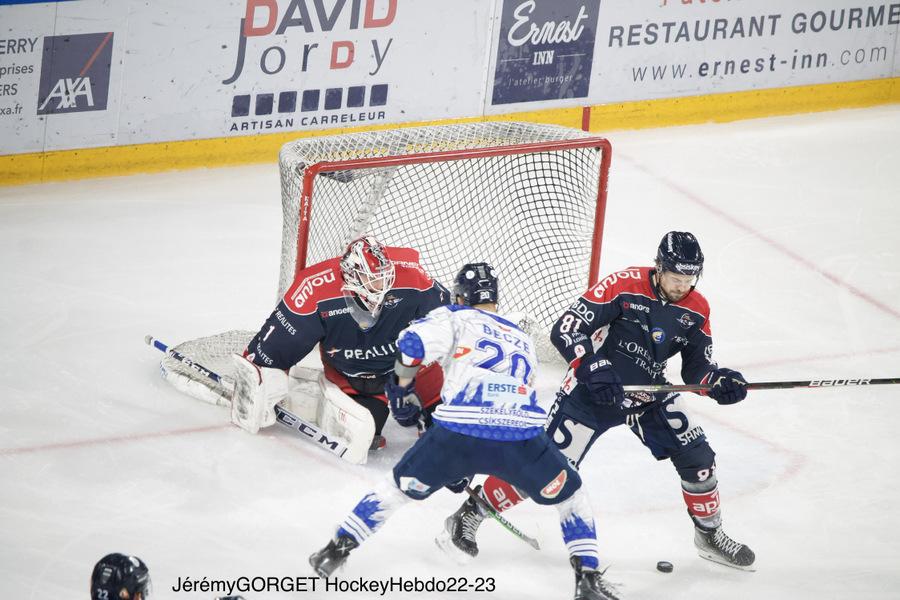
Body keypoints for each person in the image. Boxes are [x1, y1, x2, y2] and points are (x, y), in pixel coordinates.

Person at [443, 232, 755, 571]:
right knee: (545, 473)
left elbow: (698, 368)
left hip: (648, 393)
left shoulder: (697, 309)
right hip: (591, 392)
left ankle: (709, 535)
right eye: (675, 278)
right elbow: (565, 328)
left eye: (689, 279)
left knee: (699, 458)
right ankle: (470, 514)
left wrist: (717, 382)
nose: (682, 286)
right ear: (659, 267)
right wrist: (591, 365)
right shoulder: (623, 285)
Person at [309, 263, 622, 600]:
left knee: (394, 490)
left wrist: (401, 388)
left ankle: (335, 550)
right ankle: (587, 580)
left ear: (460, 296)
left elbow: (412, 344)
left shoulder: (453, 316)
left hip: (458, 432)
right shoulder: (522, 339)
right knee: (572, 497)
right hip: (521, 437)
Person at [230, 236, 448, 456]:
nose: (381, 284)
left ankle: (429, 407)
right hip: (353, 375)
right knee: (366, 435)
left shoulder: (413, 278)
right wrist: (258, 369)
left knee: (445, 418)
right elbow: (283, 339)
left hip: (405, 367)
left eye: (383, 276)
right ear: (352, 276)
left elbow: (448, 319)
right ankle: (360, 401)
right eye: (372, 278)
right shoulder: (315, 288)